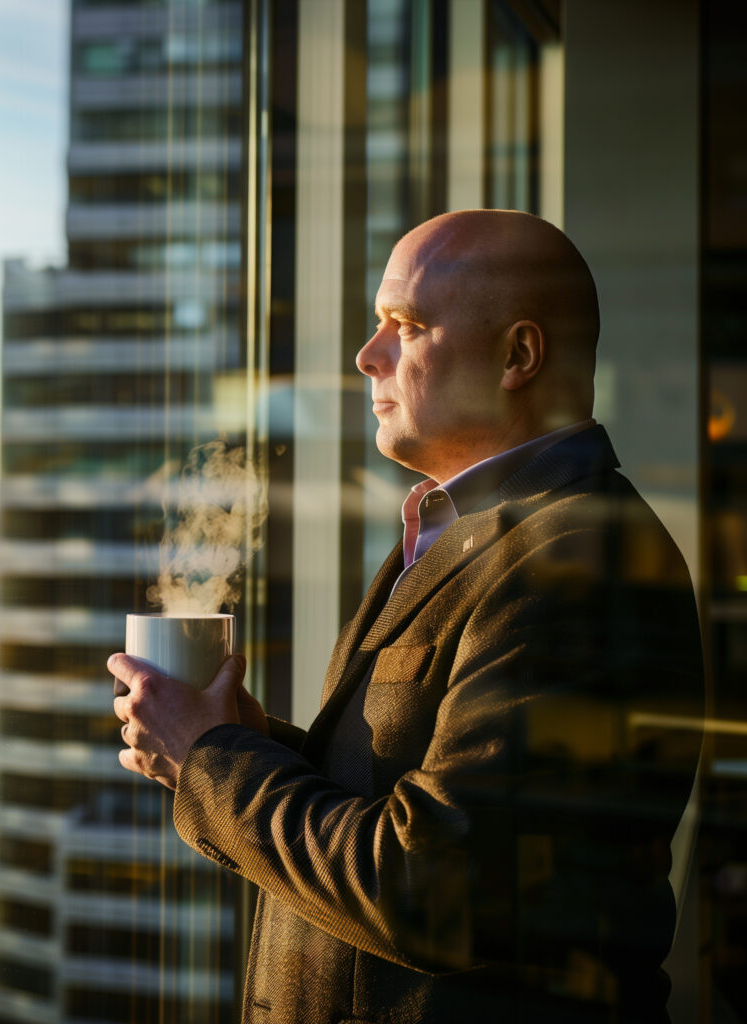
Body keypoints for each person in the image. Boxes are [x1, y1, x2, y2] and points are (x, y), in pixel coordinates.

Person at [110, 209, 704, 1023]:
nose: (366, 355)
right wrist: (241, 741)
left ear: (517, 356)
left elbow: (436, 891)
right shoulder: (462, 534)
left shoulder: (574, 559)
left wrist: (214, 759)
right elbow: (406, 801)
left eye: (406, 325)